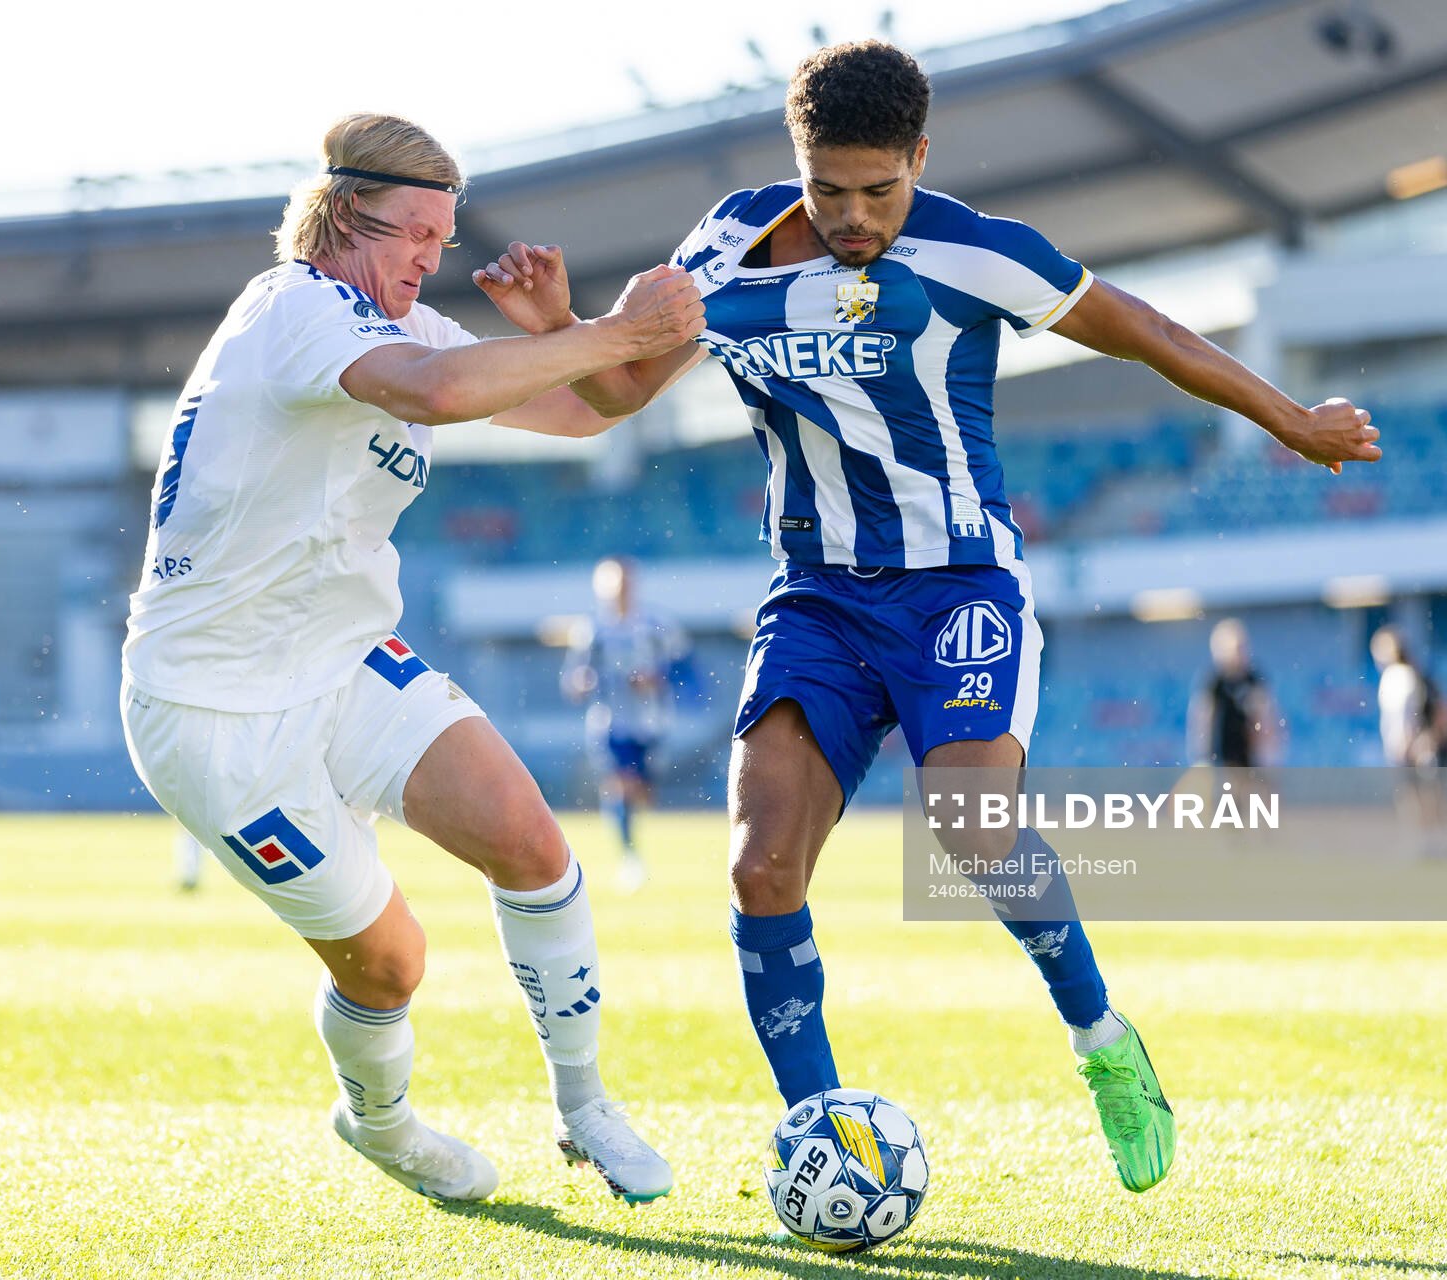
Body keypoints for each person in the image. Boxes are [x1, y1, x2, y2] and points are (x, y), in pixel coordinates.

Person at [472, 41, 1378, 1196]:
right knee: (760, 866)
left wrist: (1290, 419)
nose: (853, 216)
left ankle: (1102, 1039)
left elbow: (1152, 330)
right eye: (828, 189)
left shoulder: (977, 250)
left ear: (920, 160)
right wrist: (561, 322)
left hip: (959, 583)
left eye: (879, 190)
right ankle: (822, 1134)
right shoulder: (723, 244)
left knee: (970, 827)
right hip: (815, 596)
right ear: (797, 163)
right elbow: (615, 395)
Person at [120, 113, 702, 1205]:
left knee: (533, 842)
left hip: (342, 660)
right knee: (392, 962)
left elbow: (594, 410)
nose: (432, 263)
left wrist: (579, 325)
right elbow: (435, 396)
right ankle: (379, 1120)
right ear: (343, 215)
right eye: (414, 236)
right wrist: (620, 330)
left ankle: (585, 1106)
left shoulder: (406, 321)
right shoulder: (294, 308)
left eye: (443, 241)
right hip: (213, 712)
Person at [561, 557, 694, 891]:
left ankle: (632, 840)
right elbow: (573, 680)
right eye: (612, 588)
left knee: (641, 791)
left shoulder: (656, 625)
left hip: (651, 722)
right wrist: (581, 683)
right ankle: (629, 858)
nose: (619, 593)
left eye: (624, 586)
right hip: (610, 722)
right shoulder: (591, 630)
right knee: (620, 784)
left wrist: (656, 679)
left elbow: (686, 669)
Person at [1369, 625, 1447, 858]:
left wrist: (1420, 740)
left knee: (1428, 796)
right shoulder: (1399, 676)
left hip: (1418, 746)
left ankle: (1441, 841)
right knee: (1415, 797)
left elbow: (1420, 714)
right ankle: (1427, 842)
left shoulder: (1407, 676)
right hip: (1406, 747)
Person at [1187, 618, 1280, 771]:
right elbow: (1202, 727)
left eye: (1242, 648)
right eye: (1235, 649)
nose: (1239, 654)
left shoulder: (1255, 682)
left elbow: (1269, 722)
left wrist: (1269, 759)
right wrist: (1203, 761)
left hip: (1252, 765)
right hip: (1223, 764)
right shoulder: (1213, 685)